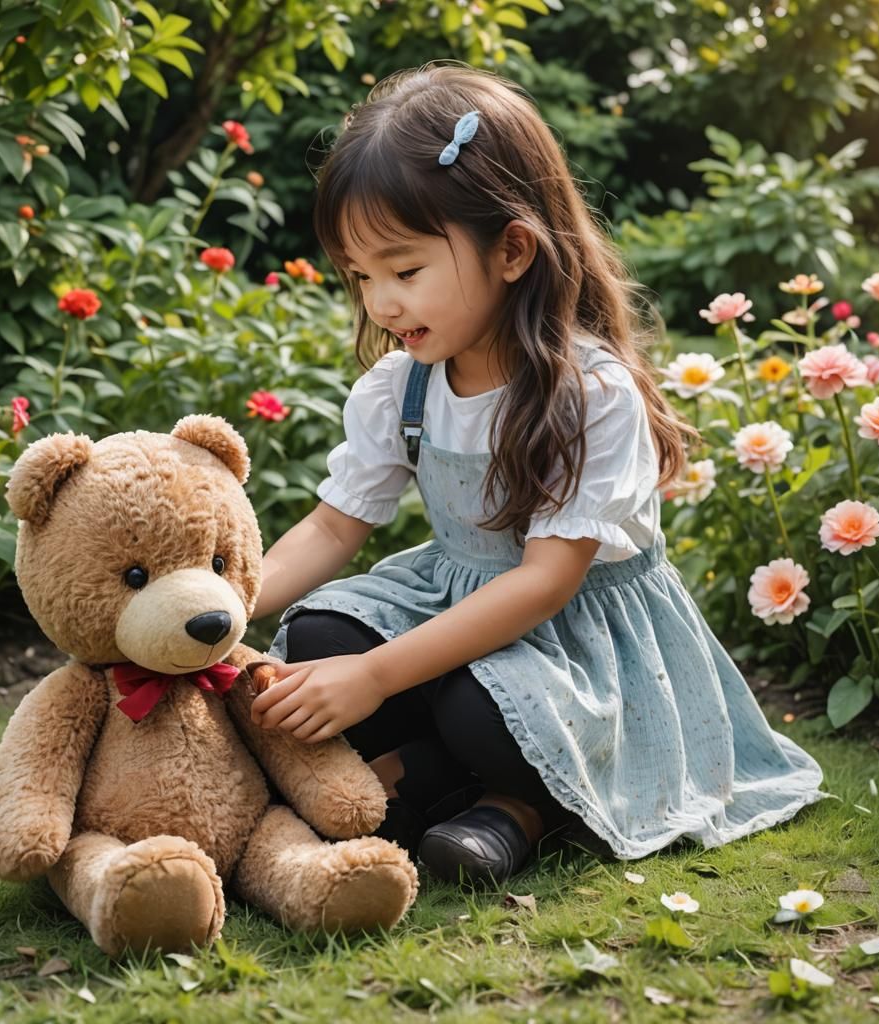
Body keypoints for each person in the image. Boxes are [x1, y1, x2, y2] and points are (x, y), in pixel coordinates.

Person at [249, 63, 825, 884]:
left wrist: (378, 675)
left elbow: (545, 584)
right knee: (314, 640)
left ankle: (515, 802)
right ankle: (444, 778)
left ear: (512, 248)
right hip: (457, 600)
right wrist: (219, 605)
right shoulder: (401, 387)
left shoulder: (588, 395)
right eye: (360, 276)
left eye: (404, 271)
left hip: (575, 633)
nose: (379, 302)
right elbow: (335, 524)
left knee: (480, 708)